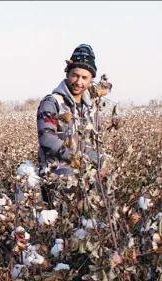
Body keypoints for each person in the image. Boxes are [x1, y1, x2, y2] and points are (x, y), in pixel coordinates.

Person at [36, 44, 112, 203]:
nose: (79, 82)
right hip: (57, 180)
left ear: (91, 80)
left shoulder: (90, 107)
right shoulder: (52, 103)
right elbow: (47, 139)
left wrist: (101, 161)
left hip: (85, 179)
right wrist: (76, 157)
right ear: (67, 73)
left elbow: (95, 141)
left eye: (85, 78)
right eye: (75, 75)